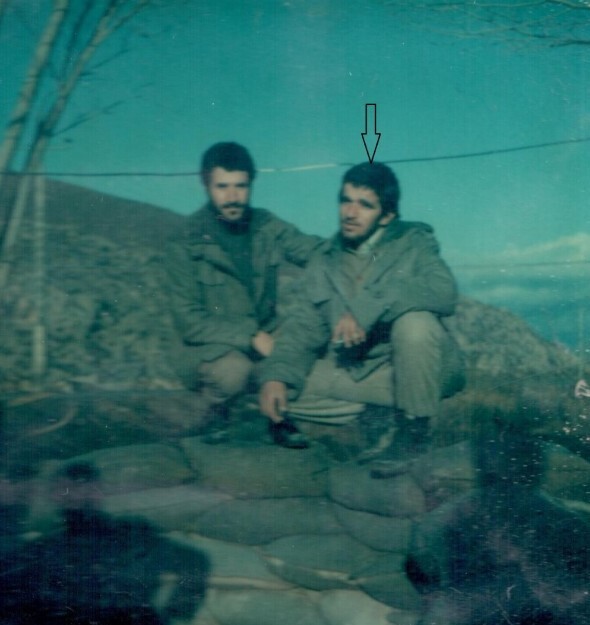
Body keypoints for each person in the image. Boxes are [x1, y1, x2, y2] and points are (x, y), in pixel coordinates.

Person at [258, 161, 464, 463]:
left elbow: (444, 291)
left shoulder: (413, 243)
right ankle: (378, 416)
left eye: (365, 205)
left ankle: (414, 434)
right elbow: (303, 329)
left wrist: (369, 305)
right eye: (346, 201)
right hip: (368, 376)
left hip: (420, 368)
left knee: (415, 323)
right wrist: (276, 377)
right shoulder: (325, 260)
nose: (350, 213)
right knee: (272, 383)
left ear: (387, 216)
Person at [165, 142, 322, 442]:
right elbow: (189, 321)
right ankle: (215, 411)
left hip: (265, 335)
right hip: (209, 346)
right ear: (206, 184)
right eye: (222, 187)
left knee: (303, 347)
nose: (232, 197)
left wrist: (362, 250)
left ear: (251, 184)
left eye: (241, 186)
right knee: (234, 372)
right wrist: (250, 336)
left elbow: (314, 251)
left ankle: (277, 416)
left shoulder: (266, 225)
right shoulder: (185, 241)